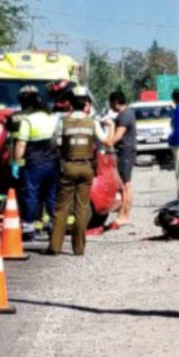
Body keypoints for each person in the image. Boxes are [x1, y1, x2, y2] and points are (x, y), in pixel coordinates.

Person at [47, 86, 113, 256]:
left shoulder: (63, 122)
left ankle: (55, 246)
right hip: (86, 168)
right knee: (82, 208)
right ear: (85, 105)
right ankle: (78, 248)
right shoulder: (92, 123)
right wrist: (111, 126)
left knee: (61, 208)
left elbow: (54, 144)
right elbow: (106, 142)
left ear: (70, 105)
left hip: (68, 167)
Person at [14, 85, 59, 241]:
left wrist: (16, 161)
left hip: (33, 164)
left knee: (30, 195)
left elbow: (21, 144)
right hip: (52, 163)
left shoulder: (28, 120)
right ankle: (54, 226)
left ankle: (28, 229)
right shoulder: (53, 118)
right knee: (51, 196)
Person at [110, 91, 136, 225]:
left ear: (115, 102)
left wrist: (108, 144)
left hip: (125, 152)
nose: (110, 107)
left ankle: (124, 215)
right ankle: (123, 214)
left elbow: (118, 135)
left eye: (111, 103)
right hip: (127, 152)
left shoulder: (124, 116)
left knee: (125, 185)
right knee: (125, 185)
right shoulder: (127, 113)